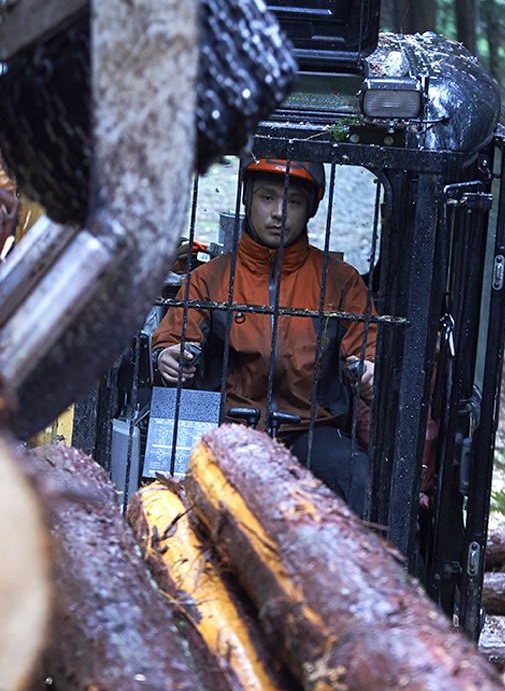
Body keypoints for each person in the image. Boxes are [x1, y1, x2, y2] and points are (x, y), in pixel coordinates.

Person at [151, 156, 377, 513]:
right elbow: (174, 337)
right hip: (228, 427)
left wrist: (368, 368)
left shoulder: (342, 281)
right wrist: (167, 355)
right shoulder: (208, 279)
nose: (279, 213)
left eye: (294, 202)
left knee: (359, 480)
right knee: (174, 496)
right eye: (267, 198)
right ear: (247, 199)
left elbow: (368, 346)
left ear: (311, 210)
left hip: (311, 431)